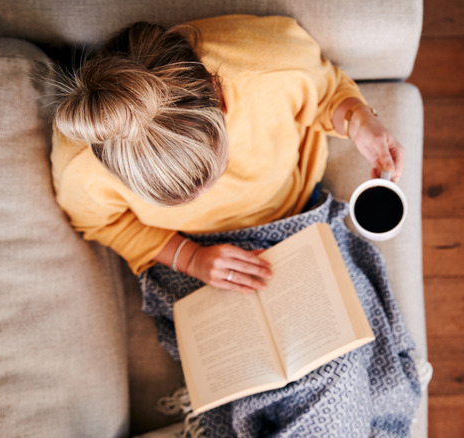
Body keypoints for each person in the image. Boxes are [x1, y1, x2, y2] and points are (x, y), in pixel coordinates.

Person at [50, 15, 421, 437]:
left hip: (294, 225)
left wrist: (357, 120)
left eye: (214, 172)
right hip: (193, 259)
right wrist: (189, 257)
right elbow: (100, 222)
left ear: (218, 91)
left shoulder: (269, 63)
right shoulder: (85, 157)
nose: (206, 196)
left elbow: (325, 94)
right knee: (255, 389)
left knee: (340, 360)